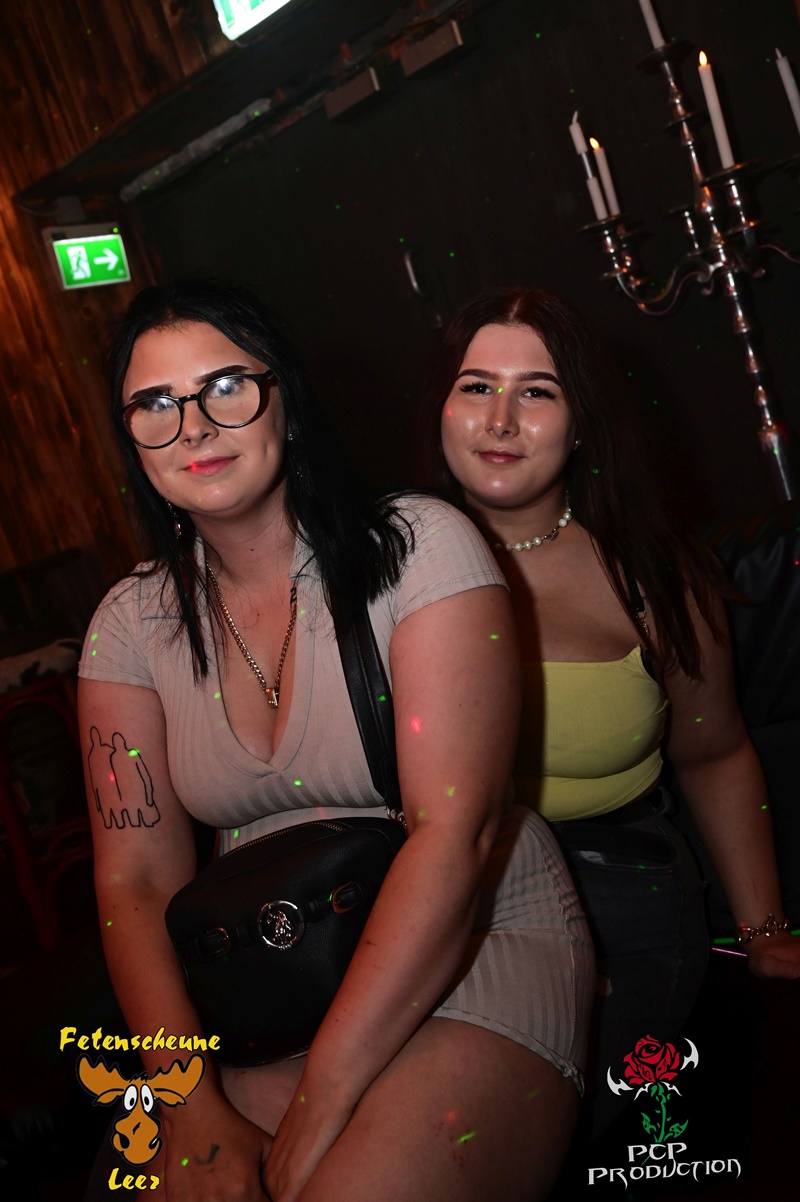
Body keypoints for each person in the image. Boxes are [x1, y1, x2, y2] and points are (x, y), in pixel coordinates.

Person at [77, 278, 594, 1202]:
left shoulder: (422, 547)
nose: (193, 427)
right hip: (271, 974)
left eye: (226, 387)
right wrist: (186, 1101)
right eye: (155, 404)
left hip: (471, 943)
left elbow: (455, 834)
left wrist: (320, 1105)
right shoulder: (129, 623)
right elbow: (135, 881)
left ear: (288, 399)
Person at [422, 286, 800, 1134]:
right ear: (441, 408)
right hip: (439, 908)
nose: (500, 419)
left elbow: (715, 754)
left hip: (617, 902)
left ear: (582, 422)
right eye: (476, 386)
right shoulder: (382, 569)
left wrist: (765, 929)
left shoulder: (651, 578)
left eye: (538, 391)